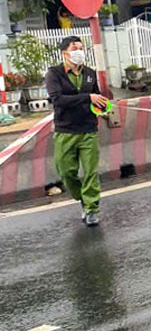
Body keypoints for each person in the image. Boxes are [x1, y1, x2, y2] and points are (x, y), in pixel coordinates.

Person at [45, 36, 107, 227]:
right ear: (65, 53)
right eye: (75, 48)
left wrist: (102, 105)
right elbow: (58, 100)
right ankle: (83, 199)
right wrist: (88, 97)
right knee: (66, 172)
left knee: (90, 172)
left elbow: (96, 98)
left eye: (81, 48)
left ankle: (91, 209)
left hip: (88, 129)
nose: (79, 51)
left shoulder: (90, 73)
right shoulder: (54, 74)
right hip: (65, 131)